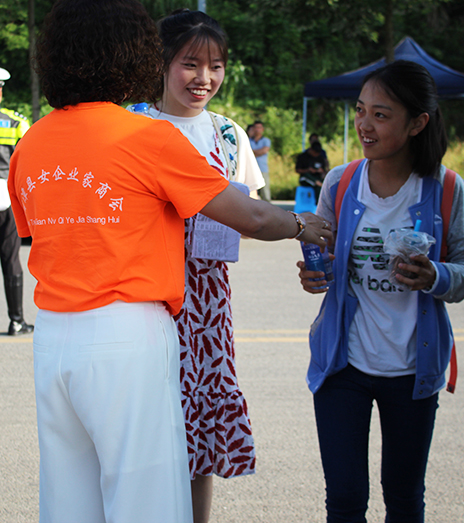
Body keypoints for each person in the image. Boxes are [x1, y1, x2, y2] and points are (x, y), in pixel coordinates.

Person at [7, 2, 332, 523]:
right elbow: (248, 215)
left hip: (53, 339)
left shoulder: (33, 142)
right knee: (147, 498)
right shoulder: (147, 137)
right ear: (137, 54)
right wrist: (301, 224)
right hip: (126, 333)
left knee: (68, 498)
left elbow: (35, 231)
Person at [297, 60, 464, 522]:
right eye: (361, 110)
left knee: (402, 497)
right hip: (343, 365)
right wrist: (314, 275)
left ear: (418, 122)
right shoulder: (340, 183)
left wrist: (436, 276)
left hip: (412, 371)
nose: (364, 124)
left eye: (381, 115)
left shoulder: (445, 189)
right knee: (343, 499)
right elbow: (322, 258)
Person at [145, 9, 264, 522]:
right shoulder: (134, 124)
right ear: (162, 62)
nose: (204, 79)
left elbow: (250, 209)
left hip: (209, 304)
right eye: (190, 63)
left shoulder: (230, 135)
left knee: (201, 432)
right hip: (146, 296)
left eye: (215, 66)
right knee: (149, 427)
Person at [0, 67, 34, 336]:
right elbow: (29, 161)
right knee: (11, 259)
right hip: (4, 195)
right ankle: (16, 321)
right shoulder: (14, 122)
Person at [249, 120, 271, 201]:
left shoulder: (266, 140)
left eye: (259, 127)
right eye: (256, 127)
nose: (257, 129)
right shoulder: (248, 140)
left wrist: (252, 151)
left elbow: (264, 150)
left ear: (262, 129)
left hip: (263, 169)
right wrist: (257, 151)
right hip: (251, 169)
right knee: (251, 193)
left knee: (265, 194)